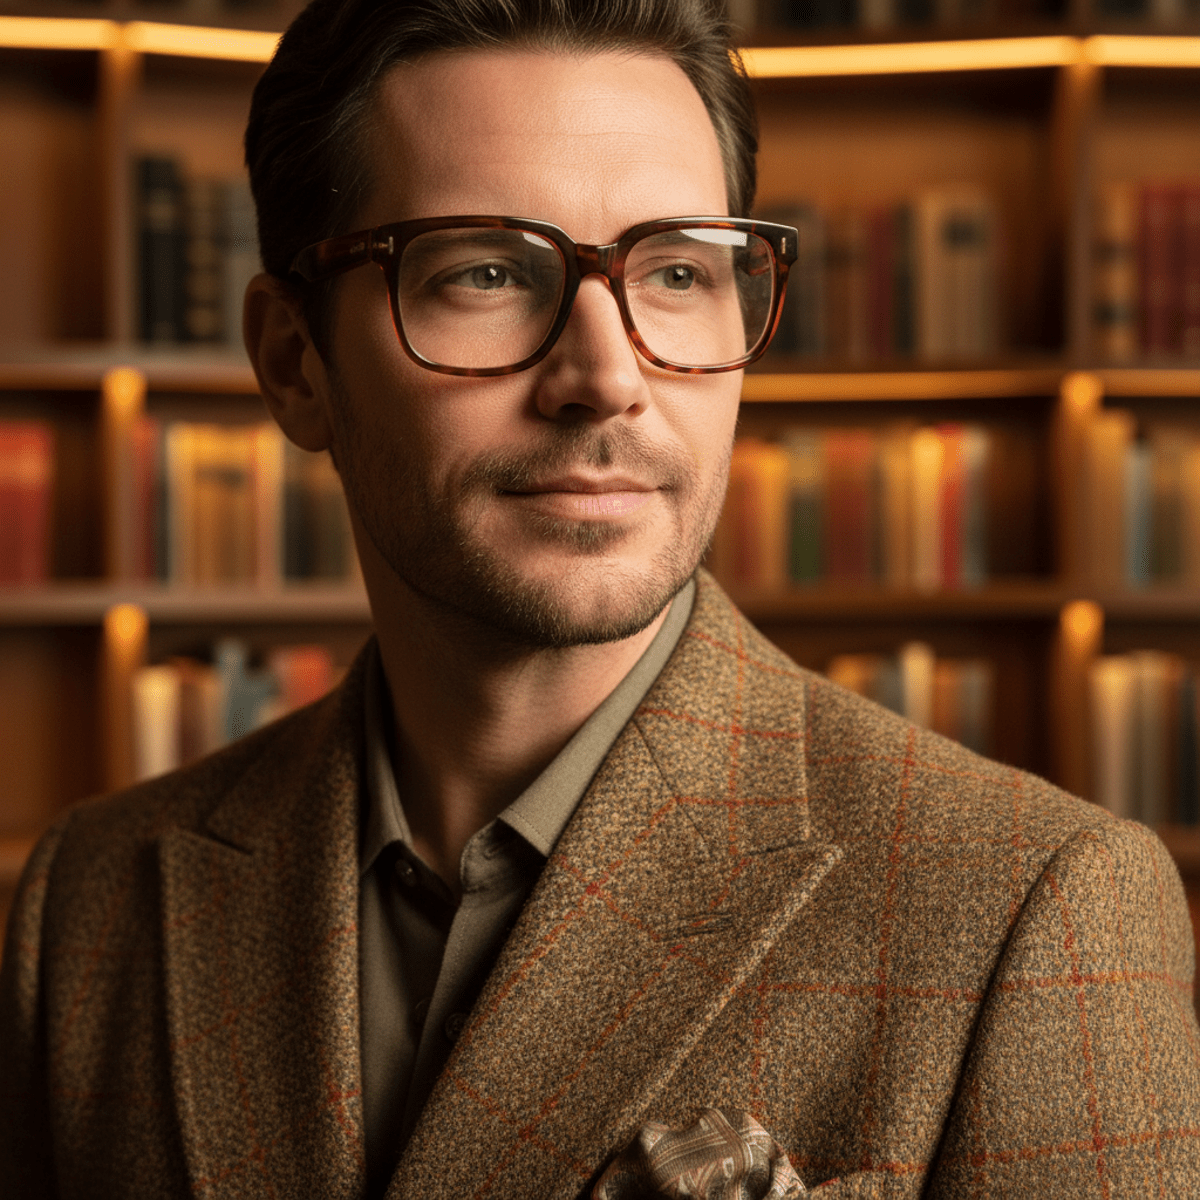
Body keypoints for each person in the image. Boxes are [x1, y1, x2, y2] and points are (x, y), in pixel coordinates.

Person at [2, 0, 1198, 1196]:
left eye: (676, 271)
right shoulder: (92, 903)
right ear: (294, 364)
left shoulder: (1035, 911)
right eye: (485, 271)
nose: (606, 377)